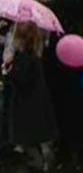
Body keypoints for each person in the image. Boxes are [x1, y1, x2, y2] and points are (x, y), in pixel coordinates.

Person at [46, 0, 83, 169]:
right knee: (62, 108)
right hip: (61, 60)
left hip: (75, 61)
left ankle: (78, 156)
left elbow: (62, 7)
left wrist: (42, 1)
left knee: (75, 108)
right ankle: (65, 152)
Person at [4, 22, 56, 172]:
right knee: (34, 141)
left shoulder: (25, 58)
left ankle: (38, 164)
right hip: (37, 104)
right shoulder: (35, 55)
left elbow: (22, 79)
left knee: (30, 142)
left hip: (27, 107)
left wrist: (9, 67)